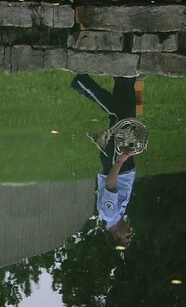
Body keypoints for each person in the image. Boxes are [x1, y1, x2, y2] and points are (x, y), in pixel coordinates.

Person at [70, 74, 138, 249]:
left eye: (127, 236)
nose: (130, 233)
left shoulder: (109, 214)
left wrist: (119, 162)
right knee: (128, 115)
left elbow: (110, 185)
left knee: (119, 118)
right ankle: (125, 78)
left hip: (116, 164)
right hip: (123, 165)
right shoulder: (118, 215)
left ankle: (82, 85)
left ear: (116, 235)